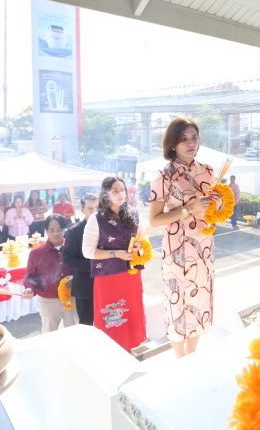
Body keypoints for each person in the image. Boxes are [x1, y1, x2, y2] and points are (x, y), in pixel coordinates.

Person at [149, 117, 220, 358]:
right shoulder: (164, 175)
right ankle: (181, 359)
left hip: (203, 244)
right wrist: (189, 208)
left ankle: (194, 355)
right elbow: (154, 219)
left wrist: (217, 204)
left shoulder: (208, 171)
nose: (190, 143)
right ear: (173, 143)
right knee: (177, 304)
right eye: (183, 139)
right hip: (177, 248)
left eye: (194, 137)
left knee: (200, 299)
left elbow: (212, 212)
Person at [82, 177, 146, 350]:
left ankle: (132, 349)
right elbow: (87, 251)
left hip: (131, 275)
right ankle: (111, 354)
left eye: (122, 190)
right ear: (106, 194)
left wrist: (139, 247)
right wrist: (116, 254)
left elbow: (143, 242)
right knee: (112, 318)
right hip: (108, 278)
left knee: (132, 314)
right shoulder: (96, 219)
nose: (120, 194)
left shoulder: (134, 214)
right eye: (115, 191)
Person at [23, 215, 77, 333]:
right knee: (49, 333)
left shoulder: (73, 248)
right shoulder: (36, 252)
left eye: (59, 229)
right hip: (48, 300)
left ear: (64, 230)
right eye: (51, 230)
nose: (56, 234)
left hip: (71, 297)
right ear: (46, 231)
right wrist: (30, 288)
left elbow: (81, 268)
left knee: (74, 332)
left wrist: (76, 278)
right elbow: (31, 276)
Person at [62, 194, 99, 326]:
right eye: (90, 208)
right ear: (82, 210)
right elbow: (68, 259)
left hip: (106, 284)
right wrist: (95, 265)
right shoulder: (74, 231)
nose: (95, 211)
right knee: (86, 325)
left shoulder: (107, 229)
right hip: (85, 287)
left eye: (97, 207)